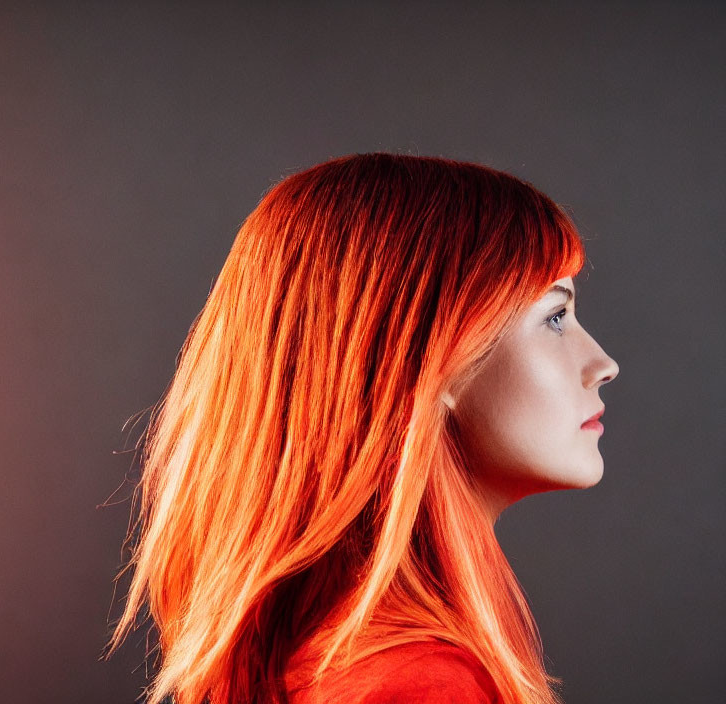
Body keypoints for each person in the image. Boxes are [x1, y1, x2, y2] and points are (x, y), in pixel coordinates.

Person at [103, 153, 619, 703]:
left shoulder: (336, 656)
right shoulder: (423, 686)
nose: (604, 364)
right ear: (433, 358)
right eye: (555, 317)